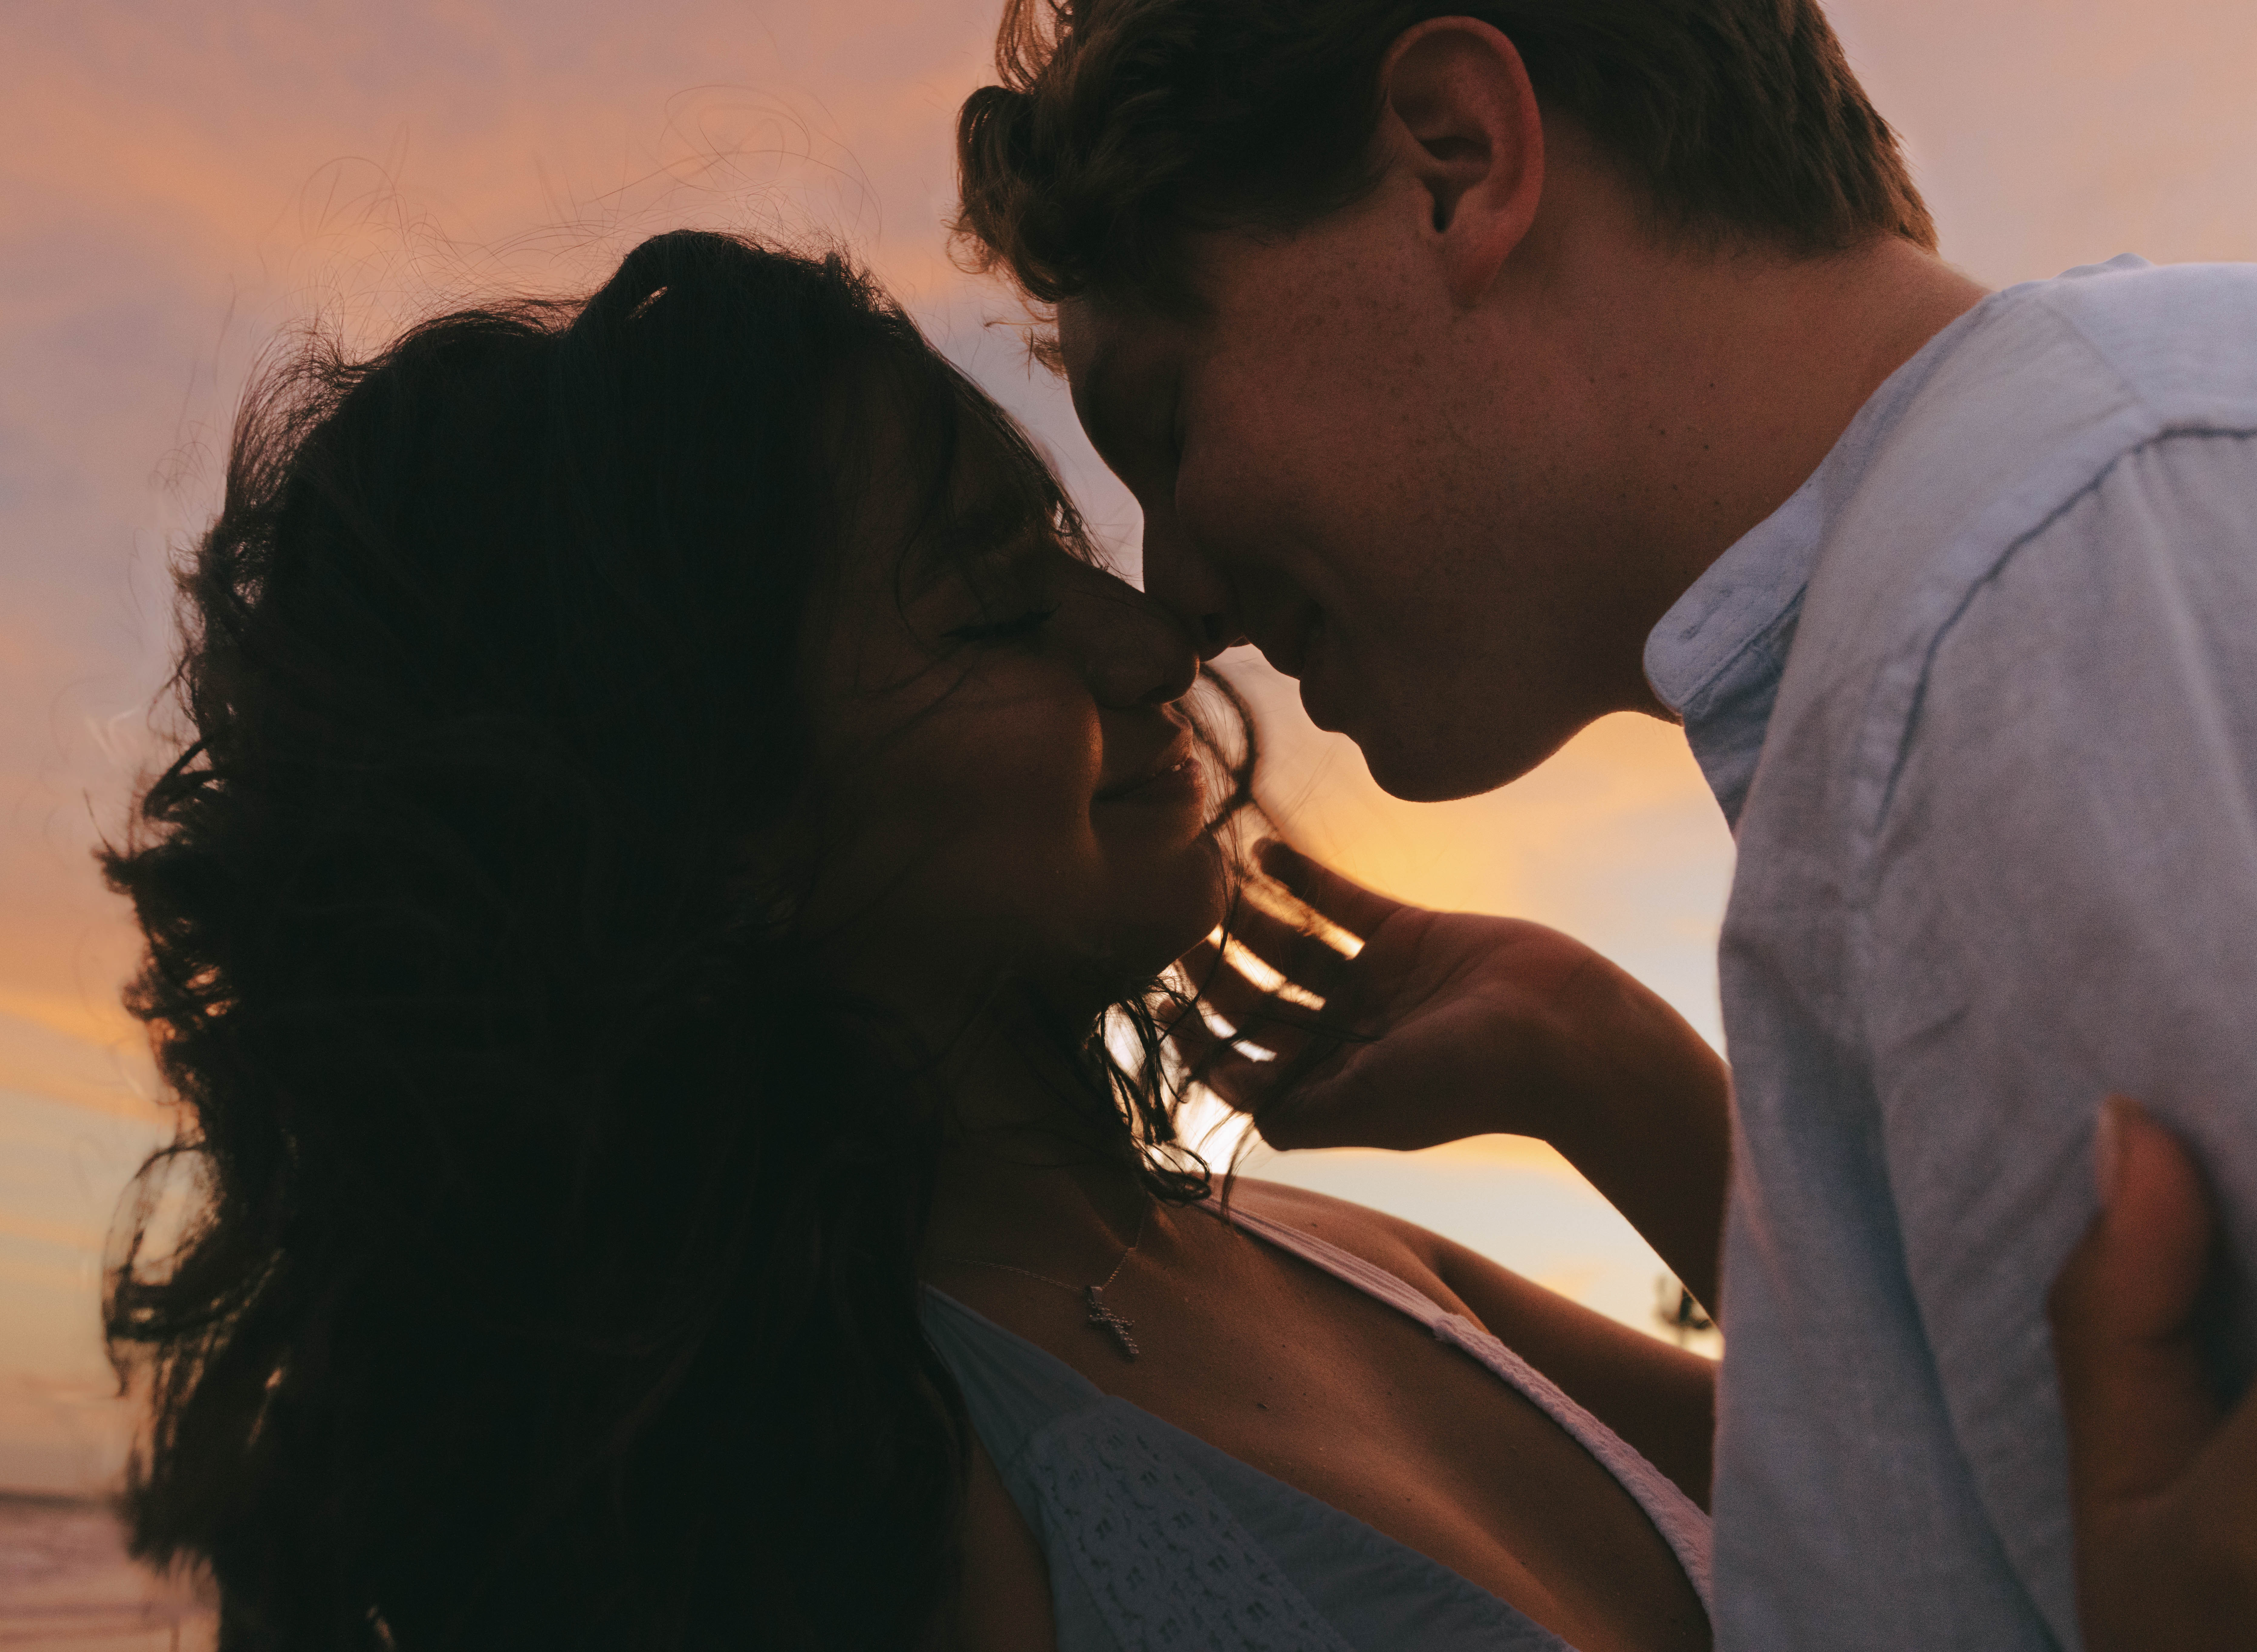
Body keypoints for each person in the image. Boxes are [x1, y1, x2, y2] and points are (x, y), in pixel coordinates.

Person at [101, 228, 1742, 1652]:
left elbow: (1963, 1492)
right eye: (998, 609)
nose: (1154, 637)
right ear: (719, 827)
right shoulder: (833, 1498)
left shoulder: (1346, 1257)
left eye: (1067, 557)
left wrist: (1602, 1061)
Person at [950, 0, 2257, 1645]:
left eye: (1171, 430)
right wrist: (1591, 1054)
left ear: (1454, 165)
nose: (1178, 594)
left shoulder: (2022, 620)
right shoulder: (2025, 575)